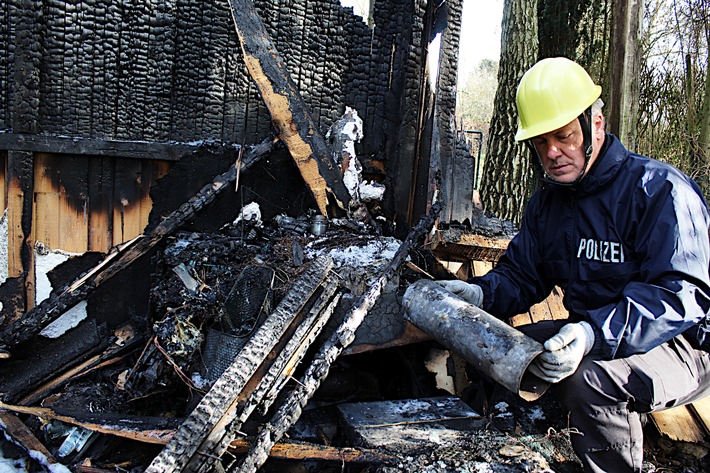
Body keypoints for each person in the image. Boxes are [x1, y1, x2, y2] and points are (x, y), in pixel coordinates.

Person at [437, 57, 710, 473]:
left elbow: (678, 296)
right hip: (592, 336)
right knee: (503, 352)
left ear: (595, 125)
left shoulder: (659, 191)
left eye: (564, 136)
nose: (552, 152)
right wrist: (480, 294)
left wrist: (590, 333)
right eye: (541, 142)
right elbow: (523, 275)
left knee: (589, 381)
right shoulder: (550, 202)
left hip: (681, 344)